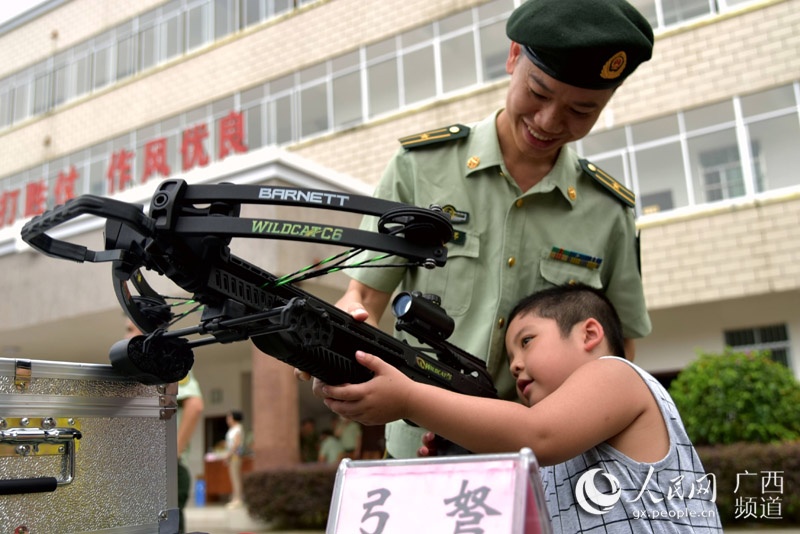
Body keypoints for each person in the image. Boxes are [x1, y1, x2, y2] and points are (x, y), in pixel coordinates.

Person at [301, 0, 655, 459]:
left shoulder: (607, 211)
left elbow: (617, 350)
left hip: (543, 467)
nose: (549, 122)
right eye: (539, 92)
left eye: (581, 110)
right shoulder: (420, 170)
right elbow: (363, 297)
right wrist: (340, 327)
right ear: (512, 57)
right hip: (420, 452)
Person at [321, 284, 722, 532]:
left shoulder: (615, 375)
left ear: (589, 333)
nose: (514, 364)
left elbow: (538, 432)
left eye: (526, 341)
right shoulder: (557, 445)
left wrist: (408, 398)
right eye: (512, 353)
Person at [125, 318, 204, 533]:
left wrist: (172, 455)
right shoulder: (144, 373)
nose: (126, 336)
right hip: (150, 469)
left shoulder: (168, 365)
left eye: (130, 329)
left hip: (167, 470)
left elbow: (195, 405)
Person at [224, 410, 245, 509]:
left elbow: (236, 444)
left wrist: (228, 455)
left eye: (230, 417)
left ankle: (238, 499)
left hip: (235, 456)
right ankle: (235, 498)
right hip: (232, 456)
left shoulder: (238, 428)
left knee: (235, 477)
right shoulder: (232, 429)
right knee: (233, 477)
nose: (228, 419)